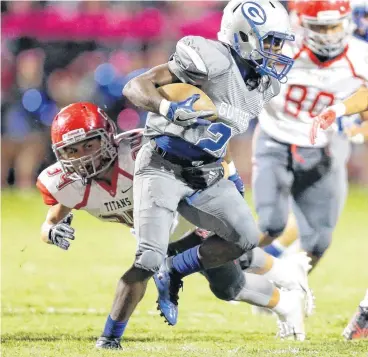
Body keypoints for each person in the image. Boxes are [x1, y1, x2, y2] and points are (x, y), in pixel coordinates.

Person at [37, 103, 312, 349]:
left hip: (194, 216)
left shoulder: (141, 152)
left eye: (89, 145)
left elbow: (209, 142)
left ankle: (285, 303)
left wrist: (228, 177)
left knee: (228, 286)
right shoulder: (67, 185)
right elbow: (54, 215)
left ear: (107, 136)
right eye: (71, 150)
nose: (84, 156)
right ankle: (287, 271)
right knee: (227, 265)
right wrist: (50, 230)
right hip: (164, 235)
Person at [122, 0, 303, 345]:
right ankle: (115, 331)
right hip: (161, 166)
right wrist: (165, 107)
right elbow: (136, 86)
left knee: (228, 281)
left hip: (205, 175)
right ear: (244, 37)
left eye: (280, 43)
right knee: (154, 250)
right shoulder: (211, 60)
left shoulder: (263, 83)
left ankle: (285, 294)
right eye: (271, 42)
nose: (278, 51)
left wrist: (230, 170)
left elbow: (222, 131)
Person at [251, 0, 368, 268]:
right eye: (320, 27)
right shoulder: (281, 48)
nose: (328, 34)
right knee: (270, 223)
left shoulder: (360, 57)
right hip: (276, 137)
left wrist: (355, 132)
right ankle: (220, 259)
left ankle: (282, 281)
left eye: (334, 26)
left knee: (318, 238)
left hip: (326, 145)